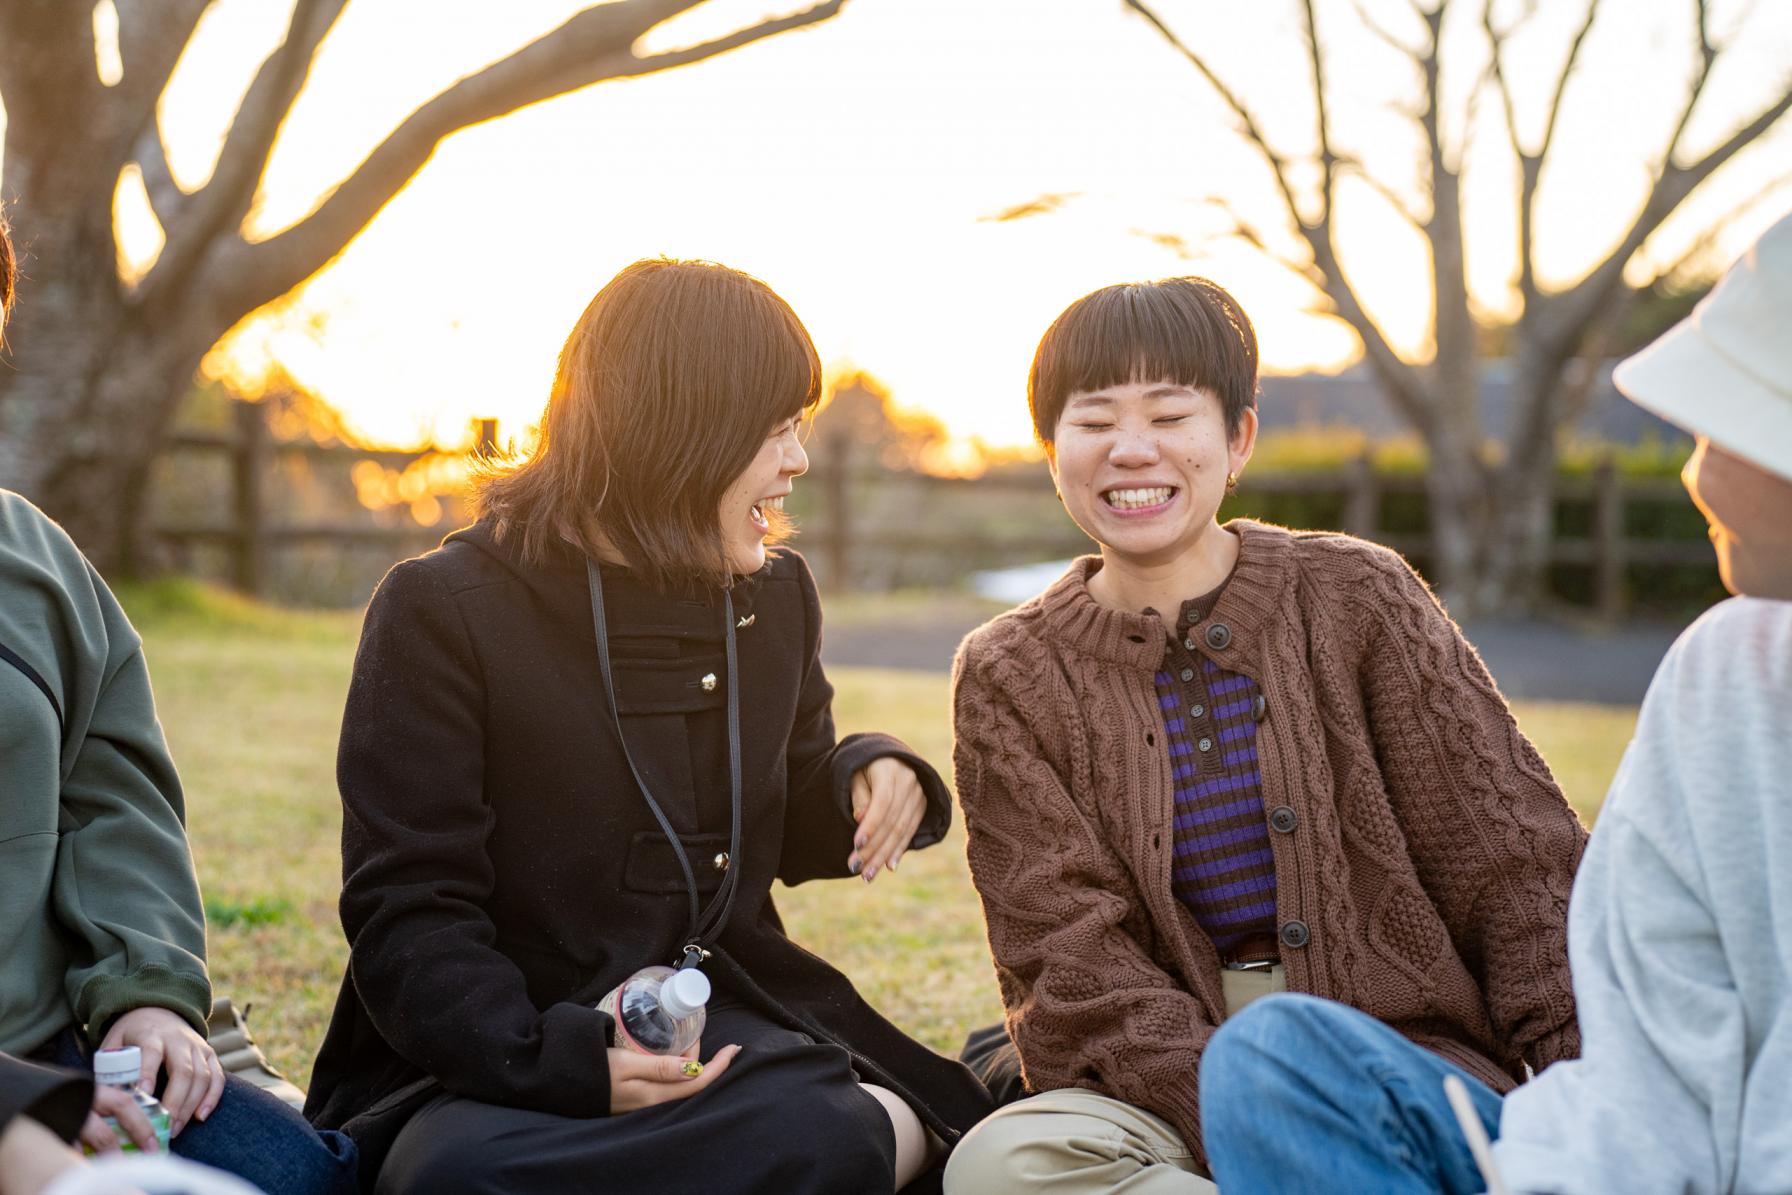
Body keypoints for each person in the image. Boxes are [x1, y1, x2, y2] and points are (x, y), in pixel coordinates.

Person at [303, 258, 995, 1194]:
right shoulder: (441, 609)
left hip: (723, 1023)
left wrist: (871, 772)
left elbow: (787, 808)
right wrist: (562, 1058)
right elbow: (408, 914)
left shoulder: (775, 597)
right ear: (683, 432)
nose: (796, 460)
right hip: (498, 1052)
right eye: (778, 430)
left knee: (831, 1128)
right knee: (448, 1175)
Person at [944, 276, 1588, 1193]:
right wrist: (1240, 1112)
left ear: (1237, 437)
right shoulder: (1008, 671)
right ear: (1052, 447)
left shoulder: (1359, 595)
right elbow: (1066, 957)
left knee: (1310, 1076)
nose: (1132, 449)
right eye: (1093, 421)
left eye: (1170, 414)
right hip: (1162, 1088)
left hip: (1389, 1050)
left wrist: (1591, 1095)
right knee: (1002, 1166)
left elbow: (1517, 868)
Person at [1196, 212, 1792, 1194]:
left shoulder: (1359, 590)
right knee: (1277, 1060)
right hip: (1635, 1161)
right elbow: (1649, 1045)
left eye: (1725, 429)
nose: (1695, 474)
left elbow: (1510, 867)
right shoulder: (1726, 669)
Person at [0, 214, 355, 1195]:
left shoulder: (37, 566)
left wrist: (142, 1002)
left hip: (53, 1055)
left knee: (297, 1177)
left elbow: (112, 804)